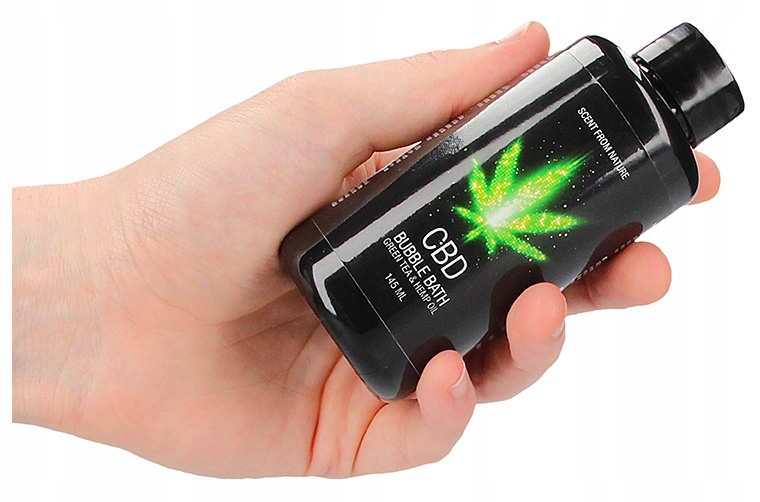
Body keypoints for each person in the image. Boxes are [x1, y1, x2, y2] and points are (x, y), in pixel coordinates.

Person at [11, 22, 720, 478]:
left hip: (345, 288)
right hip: (339, 280)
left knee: (544, 294)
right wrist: (103, 264)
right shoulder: (596, 63)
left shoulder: (658, 152)